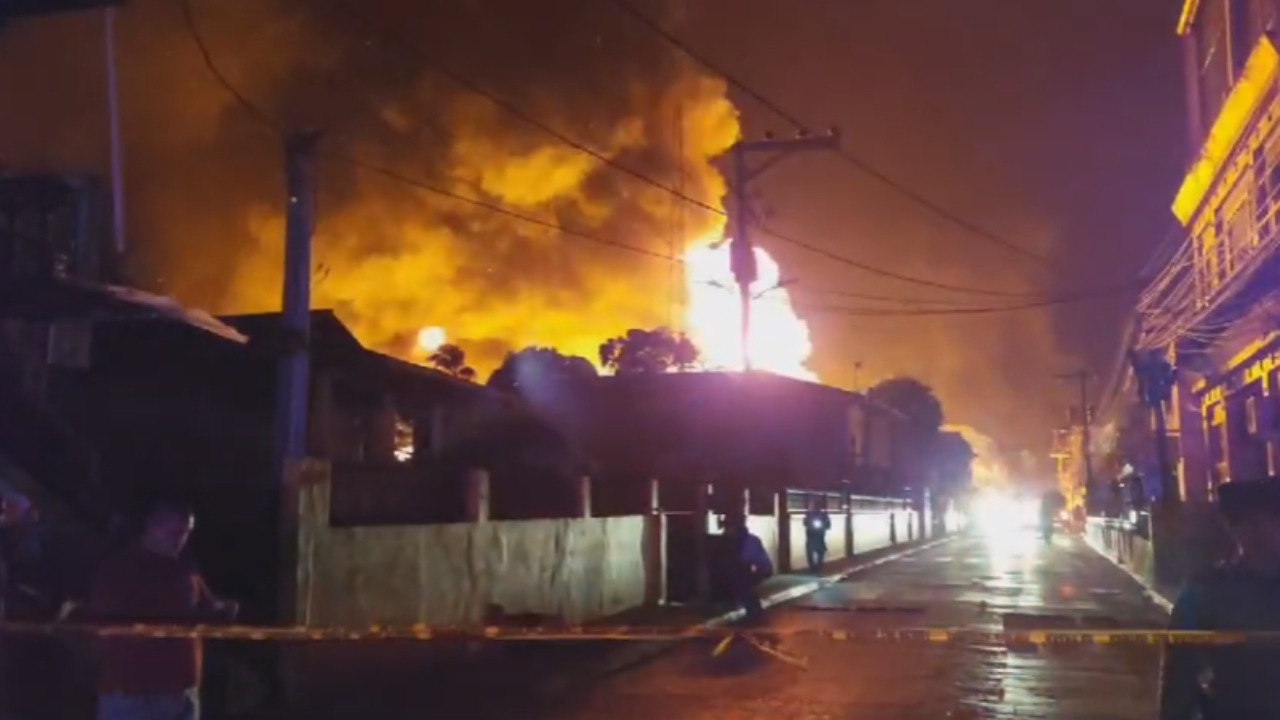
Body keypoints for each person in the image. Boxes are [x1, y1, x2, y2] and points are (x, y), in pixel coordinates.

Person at [88, 500, 238, 720]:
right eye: (174, 531)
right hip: (134, 692)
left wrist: (222, 611)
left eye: (186, 533)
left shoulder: (185, 569)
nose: (180, 539)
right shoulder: (120, 570)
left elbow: (206, 607)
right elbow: (107, 625)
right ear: (153, 526)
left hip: (181, 690)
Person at [1159, 478, 1280, 720]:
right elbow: (1179, 677)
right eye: (1251, 524)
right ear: (1237, 529)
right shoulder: (1204, 592)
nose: (1265, 532)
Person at [723, 513, 772, 622]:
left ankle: (754, 613)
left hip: (744, 569)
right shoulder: (746, 540)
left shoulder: (747, 541)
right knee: (745, 590)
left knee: (745, 589)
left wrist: (763, 570)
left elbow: (759, 560)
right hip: (742, 569)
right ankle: (754, 612)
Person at [803, 498, 831, 573]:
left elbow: (828, 525)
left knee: (820, 552)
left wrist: (823, 526)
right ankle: (812, 568)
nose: (814, 507)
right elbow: (805, 523)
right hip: (811, 536)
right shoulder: (808, 514)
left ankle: (819, 567)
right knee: (809, 552)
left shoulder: (823, 515)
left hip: (819, 536)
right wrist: (809, 524)